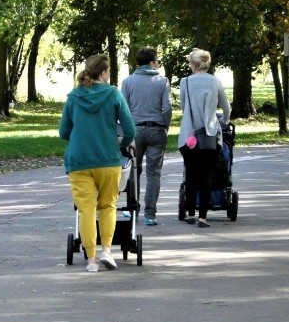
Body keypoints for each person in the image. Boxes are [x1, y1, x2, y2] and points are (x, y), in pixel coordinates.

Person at [59, 54, 136, 272]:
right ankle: (107, 251)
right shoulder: (113, 94)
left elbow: (64, 132)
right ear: (103, 73)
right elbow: (129, 130)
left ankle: (91, 259)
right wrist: (124, 145)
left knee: (86, 210)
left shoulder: (74, 97)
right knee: (107, 205)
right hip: (107, 159)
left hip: (79, 161)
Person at [178, 48, 231, 228]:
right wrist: (225, 120)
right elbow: (226, 107)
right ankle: (203, 218)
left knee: (191, 175)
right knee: (206, 176)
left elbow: (184, 107)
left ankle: (190, 213)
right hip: (209, 135)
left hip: (189, 136)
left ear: (193, 64)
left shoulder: (184, 82)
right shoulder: (215, 81)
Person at [120, 47, 172, 226]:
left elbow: (123, 109)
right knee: (154, 173)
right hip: (157, 129)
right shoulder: (162, 81)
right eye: (157, 60)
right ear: (151, 62)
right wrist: (165, 125)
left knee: (133, 170)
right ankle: (150, 214)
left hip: (134, 130)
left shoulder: (127, 82)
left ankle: (131, 208)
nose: (158, 63)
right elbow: (167, 107)